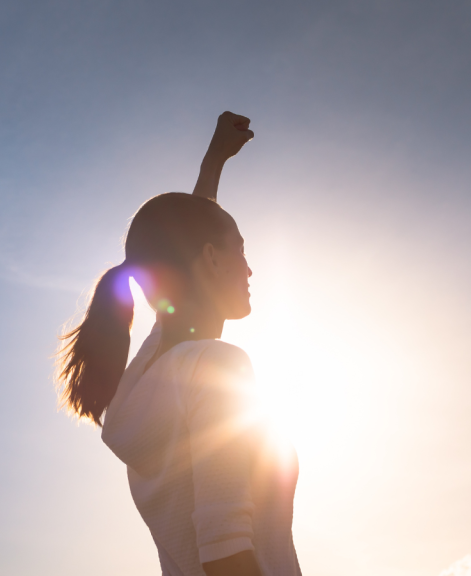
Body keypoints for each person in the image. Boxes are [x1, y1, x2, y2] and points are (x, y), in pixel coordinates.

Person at [55, 112, 301, 576]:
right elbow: (224, 551)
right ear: (210, 257)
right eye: (241, 250)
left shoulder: (149, 376)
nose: (248, 269)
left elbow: (179, 243)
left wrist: (213, 165)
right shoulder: (216, 366)